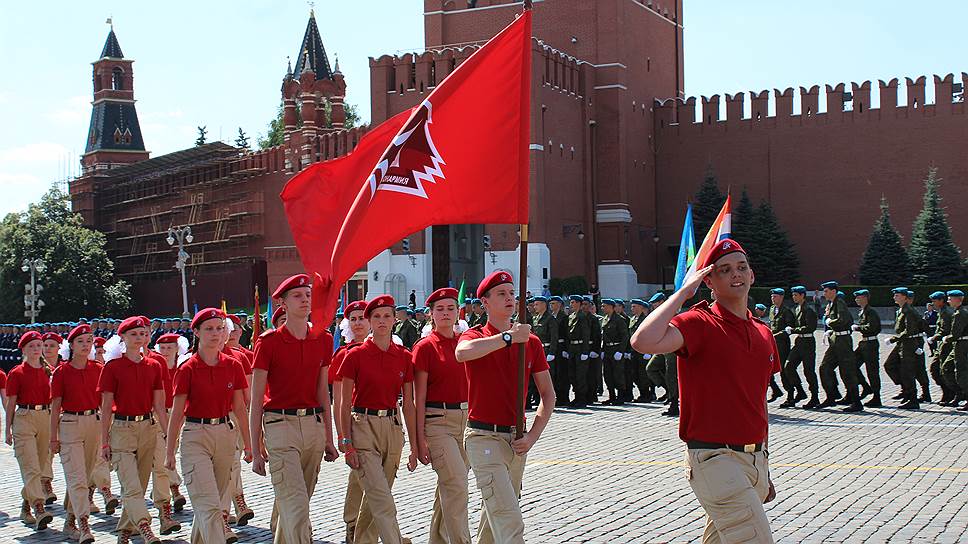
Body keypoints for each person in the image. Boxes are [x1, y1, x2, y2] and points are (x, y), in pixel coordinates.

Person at [630, 238, 777, 543]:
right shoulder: (699, 322)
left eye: (741, 267)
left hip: (754, 460)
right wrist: (683, 293)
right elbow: (643, 341)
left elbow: (757, 401)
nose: (736, 274)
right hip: (715, 458)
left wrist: (766, 465)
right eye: (724, 270)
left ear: (752, 275)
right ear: (708, 281)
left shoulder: (763, 332)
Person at [455, 271, 555, 543]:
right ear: (485, 303)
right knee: (509, 520)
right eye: (501, 294)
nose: (510, 298)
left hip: (516, 440)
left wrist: (532, 436)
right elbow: (462, 353)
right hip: (482, 437)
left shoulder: (531, 342)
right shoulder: (475, 336)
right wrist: (508, 338)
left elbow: (548, 395)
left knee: (493, 521)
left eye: (512, 293)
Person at [250, 274, 338, 544]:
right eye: (297, 296)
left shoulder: (323, 339)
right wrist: (255, 450)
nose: (305, 300)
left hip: (312, 427)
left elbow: (323, 391)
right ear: (283, 304)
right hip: (280, 426)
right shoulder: (268, 342)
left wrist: (329, 439)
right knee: (296, 507)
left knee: (295, 507)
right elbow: (256, 400)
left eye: (307, 295)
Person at [165, 308, 252, 544]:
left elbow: (240, 409)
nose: (215, 334)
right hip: (195, 436)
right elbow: (177, 413)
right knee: (210, 504)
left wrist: (249, 445)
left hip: (225, 434)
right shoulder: (187, 369)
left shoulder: (233, 366)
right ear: (196, 332)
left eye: (219, 328)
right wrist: (170, 450)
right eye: (209, 329)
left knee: (213, 504)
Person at [339, 295, 418, 544]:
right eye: (376, 316)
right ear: (369, 321)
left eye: (387, 316)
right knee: (381, 497)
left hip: (393, 428)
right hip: (363, 426)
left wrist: (415, 446)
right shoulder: (355, 356)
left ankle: (361, 540)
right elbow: (343, 402)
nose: (382, 321)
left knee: (377, 497)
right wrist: (345, 441)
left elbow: (409, 404)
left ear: (395, 319)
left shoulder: (404, 357)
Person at [98, 316, 170, 544]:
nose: (138, 337)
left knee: (138, 485)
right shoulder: (112, 367)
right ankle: (145, 527)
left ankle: (125, 531)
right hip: (122, 429)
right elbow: (106, 407)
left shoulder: (155, 365)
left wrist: (168, 434)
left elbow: (159, 404)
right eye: (133, 334)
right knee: (130, 485)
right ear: (123, 338)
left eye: (142, 333)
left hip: (148, 428)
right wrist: (104, 441)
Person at [413, 288, 472, 544]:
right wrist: (418, 441)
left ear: (458, 312)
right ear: (431, 315)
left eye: (451, 308)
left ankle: (438, 539)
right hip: (438, 422)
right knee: (457, 484)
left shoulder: (465, 343)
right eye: (440, 309)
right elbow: (418, 398)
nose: (446, 313)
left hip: (467, 422)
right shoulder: (425, 348)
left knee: (450, 486)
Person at [49, 324, 103, 543]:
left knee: (87, 476)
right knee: (77, 477)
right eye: (80, 341)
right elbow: (55, 406)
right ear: (71, 345)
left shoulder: (98, 369)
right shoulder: (62, 372)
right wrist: (53, 437)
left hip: (94, 424)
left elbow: (105, 403)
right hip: (70, 423)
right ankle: (83, 524)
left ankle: (70, 519)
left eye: (89, 341)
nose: (85, 345)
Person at [331, 300, 374, 544]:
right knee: (360, 474)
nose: (358, 323)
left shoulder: (384, 348)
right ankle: (352, 523)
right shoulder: (343, 354)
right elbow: (338, 400)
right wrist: (342, 436)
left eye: (362, 318)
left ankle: (365, 525)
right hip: (356, 420)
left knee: (373, 477)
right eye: (353, 319)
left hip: (381, 420)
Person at [5, 330, 54, 531]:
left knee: (40, 466)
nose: (36, 349)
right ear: (24, 349)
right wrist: (7, 429)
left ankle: (26, 506)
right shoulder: (16, 373)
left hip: (45, 417)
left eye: (38, 345)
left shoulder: (48, 370)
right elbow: (11, 403)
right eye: (31, 346)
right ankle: (38, 507)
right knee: (30, 466)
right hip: (24, 418)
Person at [147, 332, 184, 535]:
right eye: (163, 348)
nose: (166, 351)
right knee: (162, 457)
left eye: (170, 347)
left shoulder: (181, 366)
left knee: (171, 451)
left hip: (177, 414)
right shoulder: (156, 364)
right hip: (157, 414)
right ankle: (172, 490)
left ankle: (164, 489)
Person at [818, 281, 861, 412]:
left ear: (833, 291)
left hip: (843, 341)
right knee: (825, 367)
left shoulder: (839, 302)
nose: (824, 293)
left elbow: (843, 319)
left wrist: (831, 322)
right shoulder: (831, 304)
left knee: (847, 371)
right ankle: (831, 396)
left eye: (826, 291)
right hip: (836, 339)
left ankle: (856, 401)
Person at [883, 287, 922, 409]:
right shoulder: (901, 310)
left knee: (907, 371)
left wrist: (893, 339)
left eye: (898, 295)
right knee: (889, 365)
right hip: (902, 343)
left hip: (908, 343)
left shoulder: (908, 311)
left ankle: (913, 399)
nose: (895, 297)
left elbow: (909, 330)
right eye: (894, 295)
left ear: (905, 297)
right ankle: (906, 389)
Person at [783, 286, 819, 409]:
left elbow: (810, 327)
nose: (794, 297)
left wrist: (793, 330)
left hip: (808, 342)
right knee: (789, 366)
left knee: (808, 370)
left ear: (803, 295)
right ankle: (800, 391)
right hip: (799, 341)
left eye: (796, 295)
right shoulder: (797, 308)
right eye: (793, 295)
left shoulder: (809, 310)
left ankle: (815, 397)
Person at [852, 289, 883, 408]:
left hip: (871, 343)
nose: (856, 300)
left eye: (858, 297)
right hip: (864, 343)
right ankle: (866, 387)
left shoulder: (871, 312)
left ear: (865, 298)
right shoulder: (863, 311)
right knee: (852, 365)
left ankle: (877, 397)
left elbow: (874, 327)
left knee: (872, 371)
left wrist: (859, 328)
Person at [926, 292, 956, 405]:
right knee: (936, 370)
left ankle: (951, 393)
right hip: (941, 346)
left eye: (934, 301)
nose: (933, 303)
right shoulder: (942, 312)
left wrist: (933, 338)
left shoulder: (946, 312)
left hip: (947, 345)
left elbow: (945, 330)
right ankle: (947, 393)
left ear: (941, 301)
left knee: (941, 370)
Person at [529, 296, 557, 411]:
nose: (535, 307)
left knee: (547, 377)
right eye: (534, 305)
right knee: (535, 377)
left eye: (537, 304)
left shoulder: (550, 319)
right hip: (538, 350)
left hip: (547, 349)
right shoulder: (536, 318)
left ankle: (549, 401)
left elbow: (554, 337)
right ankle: (537, 399)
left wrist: (552, 352)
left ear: (544, 305)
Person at [941, 290, 967, 411]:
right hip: (959, 344)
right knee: (947, 368)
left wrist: (946, 338)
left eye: (950, 298)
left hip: (962, 345)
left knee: (962, 371)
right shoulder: (959, 312)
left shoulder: (960, 314)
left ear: (958, 299)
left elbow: (955, 334)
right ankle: (959, 393)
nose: (948, 301)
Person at [601, 299, 629, 406]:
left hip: (616, 348)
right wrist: (603, 349)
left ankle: (620, 396)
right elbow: (603, 336)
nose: (603, 308)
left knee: (618, 374)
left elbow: (625, 336)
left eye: (605, 306)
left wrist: (620, 351)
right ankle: (611, 396)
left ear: (611, 307)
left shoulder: (619, 319)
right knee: (608, 374)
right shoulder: (604, 319)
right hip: (607, 349)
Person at [565, 295, 591, 407]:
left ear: (579, 304)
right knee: (572, 374)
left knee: (581, 375)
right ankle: (576, 397)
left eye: (573, 302)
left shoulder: (582, 316)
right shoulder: (571, 316)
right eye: (570, 302)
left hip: (580, 348)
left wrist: (585, 351)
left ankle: (582, 399)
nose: (571, 304)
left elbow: (586, 335)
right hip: (572, 349)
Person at [628, 299, 654, 402]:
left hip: (643, 350)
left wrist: (649, 351)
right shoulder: (632, 319)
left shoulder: (646, 320)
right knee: (634, 374)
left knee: (643, 374)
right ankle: (641, 392)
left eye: (634, 306)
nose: (632, 308)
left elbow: (650, 336)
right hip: (634, 351)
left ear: (641, 308)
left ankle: (646, 394)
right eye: (632, 306)